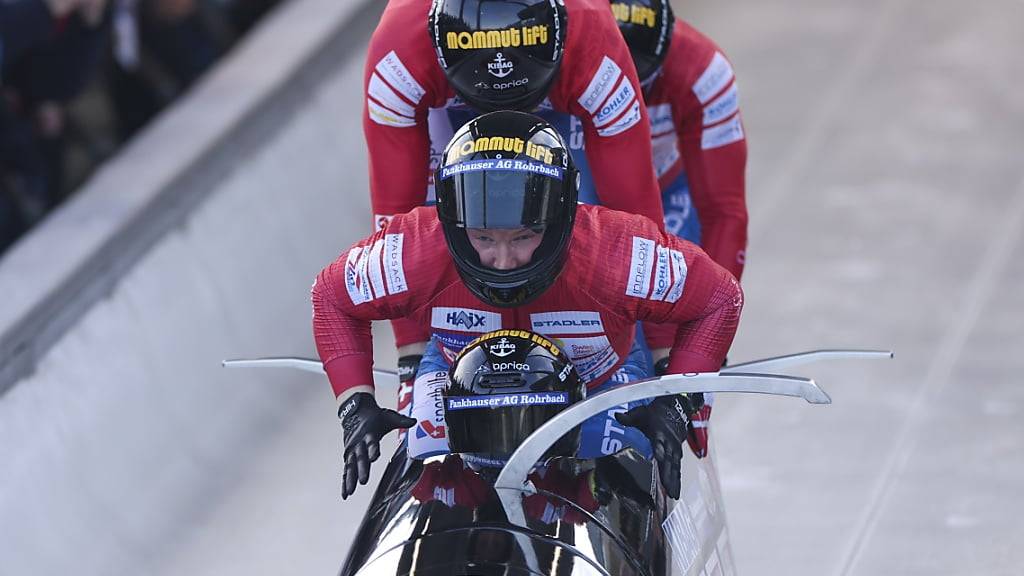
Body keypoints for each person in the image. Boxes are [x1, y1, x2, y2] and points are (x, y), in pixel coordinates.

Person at [313, 111, 742, 500]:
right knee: (430, 483)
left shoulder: (617, 253)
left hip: (597, 383)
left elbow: (719, 298)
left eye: (522, 236)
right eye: (483, 238)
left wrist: (676, 401)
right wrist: (355, 405)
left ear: (559, 219)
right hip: (457, 384)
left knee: (624, 482)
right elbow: (331, 297)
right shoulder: (416, 249)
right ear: (453, 223)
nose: (503, 260)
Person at [361, 0, 668, 395]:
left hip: (561, 109)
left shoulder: (594, 50)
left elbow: (635, 209)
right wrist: (411, 352)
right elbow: (397, 216)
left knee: (591, 227)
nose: (508, 112)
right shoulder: (398, 62)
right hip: (452, 117)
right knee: (458, 224)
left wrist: (663, 346)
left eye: (519, 100)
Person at [612, 0, 750, 455]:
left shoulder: (704, 71)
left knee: (674, 322)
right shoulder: (564, 56)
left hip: (669, 201)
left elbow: (724, 211)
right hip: (591, 195)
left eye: (644, 82)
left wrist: (701, 349)